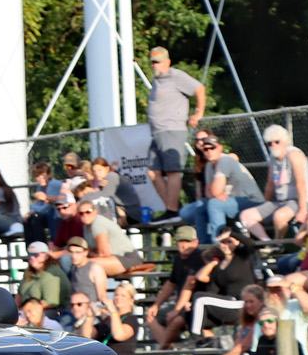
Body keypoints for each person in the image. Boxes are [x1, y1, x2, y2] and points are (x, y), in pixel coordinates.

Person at [144, 46, 206, 212]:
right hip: (157, 133)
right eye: (152, 62)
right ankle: (172, 208)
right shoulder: (157, 79)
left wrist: (198, 113)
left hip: (172, 130)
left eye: (157, 62)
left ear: (168, 62)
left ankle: (171, 210)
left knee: (172, 171)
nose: (154, 65)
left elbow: (199, 89)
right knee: (152, 172)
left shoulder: (176, 76)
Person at [181, 129, 263, 242]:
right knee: (201, 205)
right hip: (229, 201)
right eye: (206, 149)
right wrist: (217, 194)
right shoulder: (209, 165)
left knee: (214, 204)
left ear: (219, 148)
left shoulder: (225, 160)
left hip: (251, 201)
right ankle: (204, 247)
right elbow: (208, 193)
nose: (209, 151)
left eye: (212, 148)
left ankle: (217, 246)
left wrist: (217, 194)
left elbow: (214, 192)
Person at [240, 123, 308, 240]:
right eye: (269, 143)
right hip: (279, 201)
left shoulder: (294, 154)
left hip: (297, 200)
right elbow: (270, 185)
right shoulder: (273, 158)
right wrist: (265, 206)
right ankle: (267, 242)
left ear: (285, 141)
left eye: (276, 142)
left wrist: (303, 210)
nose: (273, 145)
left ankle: (278, 243)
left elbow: (301, 183)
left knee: (280, 216)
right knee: (246, 216)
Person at [183, 232, 261, 337]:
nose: (226, 245)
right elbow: (212, 291)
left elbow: (250, 244)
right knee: (190, 313)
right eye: (223, 242)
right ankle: (203, 345)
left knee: (199, 298)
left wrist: (231, 233)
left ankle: (194, 339)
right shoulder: (219, 266)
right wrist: (193, 304)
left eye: (229, 242)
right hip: (228, 304)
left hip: (242, 303)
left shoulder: (242, 257)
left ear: (237, 243)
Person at [147, 226, 206, 347]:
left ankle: (164, 352)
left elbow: (189, 285)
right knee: (151, 315)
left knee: (176, 321)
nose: (184, 245)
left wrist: (176, 310)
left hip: (198, 305)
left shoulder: (199, 257)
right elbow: (171, 283)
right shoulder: (179, 259)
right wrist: (156, 305)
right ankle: (170, 349)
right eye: (181, 241)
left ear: (196, 242)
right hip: (183, 305)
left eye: (188, 241)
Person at [76, 198, 144, 304]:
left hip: (127, 258)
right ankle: (88, 301)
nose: (85, 215)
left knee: (89, 264)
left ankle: (101, 301)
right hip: (114, 258)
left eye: (88, 212)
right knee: (82, 264)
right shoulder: (86, 227)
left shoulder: (97, 223)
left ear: (95, 211)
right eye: (81, 213)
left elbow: (103, 253)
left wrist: (90, 254)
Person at [17, 240, 71, 310]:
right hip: (29, 312)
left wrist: (26, 311)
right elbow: (19, 295)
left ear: (46, 256)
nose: (32, 258)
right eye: (30, 255)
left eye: (36, 255)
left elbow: (50, 303)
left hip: (50, 313)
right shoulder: (29, 271)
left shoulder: (52, 274)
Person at [100, 282, 139, 355]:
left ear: (131, 299)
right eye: (116, 295)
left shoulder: (131, 319)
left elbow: (119, 335)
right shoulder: (109, 319)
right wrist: (90, 316)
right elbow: (88, 335)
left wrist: (113, 312)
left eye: (123, 295)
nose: (118, 298)